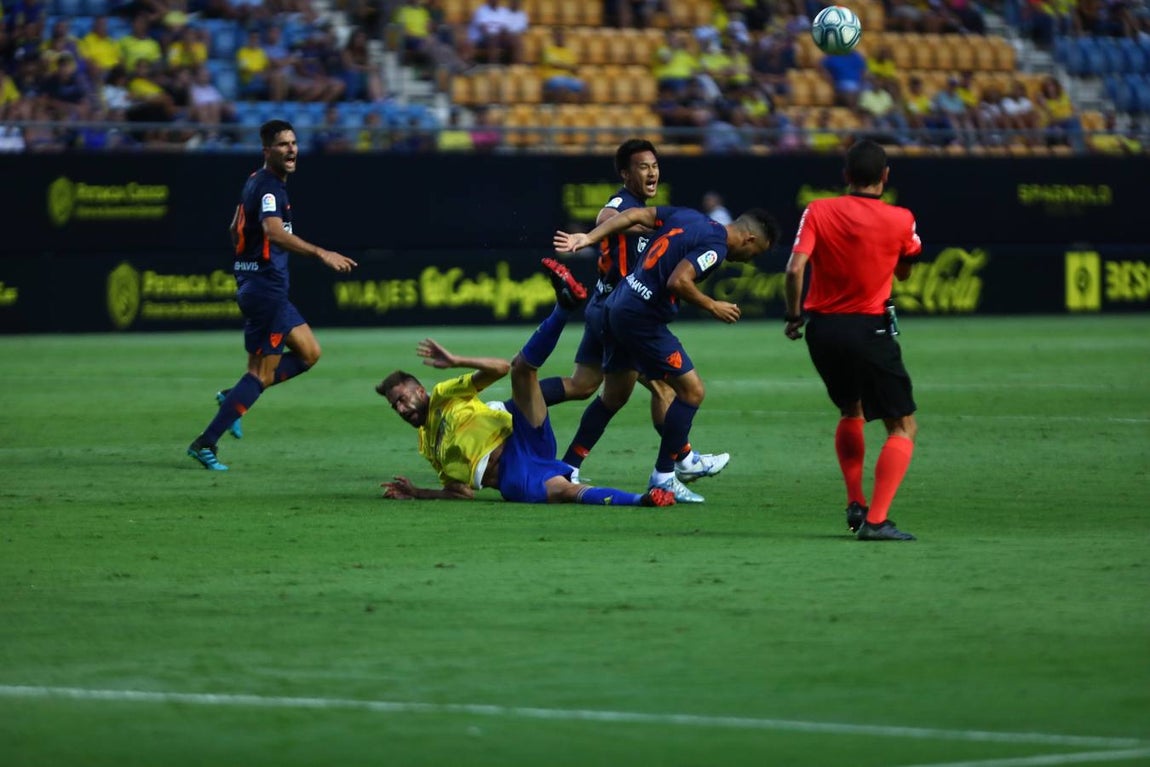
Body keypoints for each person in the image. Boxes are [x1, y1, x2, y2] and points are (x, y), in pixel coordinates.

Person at [377, 259, 675, 508]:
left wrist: (456, 361)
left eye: (402, 399)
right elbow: (460, 492)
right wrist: (417, 492)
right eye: (394, 406)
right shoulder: (427, 445)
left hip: (520, 432)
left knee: (521, 369)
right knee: (566, 492)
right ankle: (643, 500)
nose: (400, 408)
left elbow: (500, 368)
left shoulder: (444, 394)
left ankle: (564, 306)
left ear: (419, 391)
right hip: (513, 474)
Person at [537, 139, 729, 491]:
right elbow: (608, 215)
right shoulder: (624, 204)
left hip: (607, 306)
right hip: (621, 313)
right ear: (626, 174)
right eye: (643, 166)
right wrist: (600, 234)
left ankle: (519, 417)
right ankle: (679, 463)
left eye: (654, 165)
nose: (652, 171)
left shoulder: (646, 209)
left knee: (586, 387)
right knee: (665, 390)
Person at [554, 204, 778, 503]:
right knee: (692, 391)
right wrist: (713, 305)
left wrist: (589, 237)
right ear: (749, 240)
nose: (751, 261)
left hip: (618, 304)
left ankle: (567, 467)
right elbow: (678, 281)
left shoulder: (688, 216)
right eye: (756, 253)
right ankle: (665, 477)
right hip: (640, 318)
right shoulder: (716, 246)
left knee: (614, 396)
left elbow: (633, 215)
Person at [187, 119, 358, 471]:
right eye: (283, 145)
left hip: (261, 288)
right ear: (267, 151)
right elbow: (273, 231)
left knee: (309, 354)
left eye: (294, 143)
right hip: (266, 291)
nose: (291, 149)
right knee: (260, 374)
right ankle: (206, 442)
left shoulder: (257, 182)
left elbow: (237, 227)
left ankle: (233, 399)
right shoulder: (269, 189)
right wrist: (321, 253)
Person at [782, 139, 921, 542]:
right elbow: (907, 270)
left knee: (851, 409)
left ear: (846, 176)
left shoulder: (818, 210)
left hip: (822, 330)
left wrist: (794, 316)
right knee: (902, 426)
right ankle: (876, 521)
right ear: (885, 177)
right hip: (869, 328)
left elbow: (794, 269)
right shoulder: (901, 218)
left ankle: (856, 501)